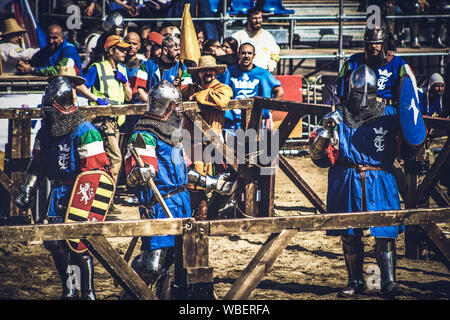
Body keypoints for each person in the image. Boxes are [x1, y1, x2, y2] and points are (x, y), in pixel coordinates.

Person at [309, 64, 426, 299]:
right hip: (347, 177)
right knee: (350, 234)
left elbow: (410, 137)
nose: (362, 96)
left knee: (385, 233)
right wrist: (325, 130)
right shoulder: (338, 114)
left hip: (380, 177)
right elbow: (317, 155)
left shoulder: (391, 114)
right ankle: (355, 281)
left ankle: (389, 281)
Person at [15, 72, 110, 300]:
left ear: (62, 105)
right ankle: (69, 289)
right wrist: (28, 188)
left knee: (78, 244)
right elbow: (37, 165)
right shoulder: (45, 132)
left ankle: (88, 292)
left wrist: (85, 201)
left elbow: (95, 172)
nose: (47, 112)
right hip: (57, 192)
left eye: (50, 107)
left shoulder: (86, 131)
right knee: (55, 243)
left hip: (79, 194)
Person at [77, 35, 132, 213]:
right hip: (103, 120)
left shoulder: (123, 69)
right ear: (110, 50)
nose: (125, 52)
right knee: (115, 159)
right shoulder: (97, 68)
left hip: (116, 122)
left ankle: (104, 202)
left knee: (110, 161)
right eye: (121, 49)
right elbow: (80, 86)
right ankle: (106, 201)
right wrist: (96, 99)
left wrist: (124, 83)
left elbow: (129, 96)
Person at [181, 55, 234, 220]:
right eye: (204, 71)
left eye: (211, 70)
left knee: (224, 181)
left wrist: (197, 96)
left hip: (213, 144)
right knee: (193, 183)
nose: (208, 73)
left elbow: (221, 101)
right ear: (199, 73)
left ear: (216, 72)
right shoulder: (190, 88)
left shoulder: (223, 88)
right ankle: (198, 218)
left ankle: (210, 214)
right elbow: (176, 97)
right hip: (191, 143)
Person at [337, 26, 417, 106]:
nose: (373, 46)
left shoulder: (399, 64)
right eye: (370, 43)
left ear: (384, 44)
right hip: (358, 107)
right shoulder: (352, 62)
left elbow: (410, 96)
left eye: (377, 43)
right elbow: (340, 92)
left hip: (388, 109)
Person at [224, 42, 284, 134]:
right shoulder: (228, 72)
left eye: (249, 53)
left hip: (255, 122)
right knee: (230, 148)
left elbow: (279, 91)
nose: (246, 56)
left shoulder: (262, 73)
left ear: (254, 55)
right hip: (232, 122)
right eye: (243, 53)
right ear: (238, 54)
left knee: (256, 148)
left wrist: (268, 110)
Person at [132, 35, 187, 103]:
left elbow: (186, 93)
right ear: (165, 50)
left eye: (180, 50)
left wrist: (179, 88)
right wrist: (155, 106)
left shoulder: (182, 68)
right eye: (176, 50)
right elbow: (139, 90)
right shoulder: (147, 65)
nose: (179, 53)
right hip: (150, 108)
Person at [16, 24, 82, 77]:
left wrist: (32, 70)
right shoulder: (46, 50)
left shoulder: (69, 50)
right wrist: (23, 65)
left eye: (54, 38)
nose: (51, 41)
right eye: (49, 38)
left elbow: (59, 70)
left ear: (62, 38)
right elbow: (34, 62)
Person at [231, 7, 281, 73]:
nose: (257, 21)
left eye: (259, 18)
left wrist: (272, 64)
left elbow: (275, 54)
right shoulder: (238, 36)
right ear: (248, 19)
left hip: (263, 74)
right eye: (254, 18)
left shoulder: (268, 36)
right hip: (243, 75)